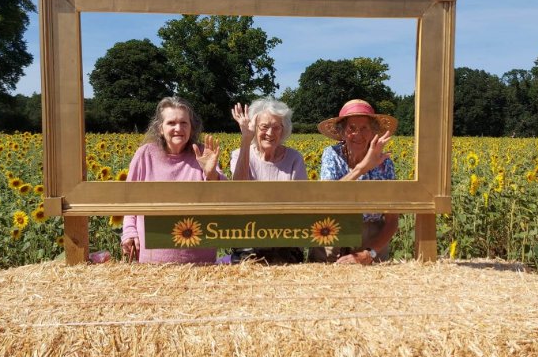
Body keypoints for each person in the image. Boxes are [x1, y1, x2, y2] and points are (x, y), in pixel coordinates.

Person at [121, 97, 225, 264]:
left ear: (192, 127)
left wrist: (211, 173)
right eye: (171, 123)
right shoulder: (145, 154)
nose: (178, 128)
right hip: (152, 258)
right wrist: (129, 231)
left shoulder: (203, 153)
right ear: (160, 128)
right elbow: (129, 200)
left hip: (200, 260)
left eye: (184, 123)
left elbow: (225, 196)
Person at [309, 99, 399, 265]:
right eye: (352, 128)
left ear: (373, 132)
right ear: (342, 132)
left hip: (371, 237)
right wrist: (363, 167)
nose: (358, 134)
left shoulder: (385, 163)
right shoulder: (332, 154)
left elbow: (392, 220)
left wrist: (369, 253)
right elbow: (327, 198)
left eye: (364, 128)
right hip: (333, 231)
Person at [225, 98, 308, 264]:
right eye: (264, 127)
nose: (270, 133)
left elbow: (300, 201)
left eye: (276, 127)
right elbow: (238, 188)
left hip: (285, 239)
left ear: (283, 131)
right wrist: (246, 139)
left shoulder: (294, 158)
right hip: (247, 237)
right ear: (254, 128)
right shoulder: (239, 154)